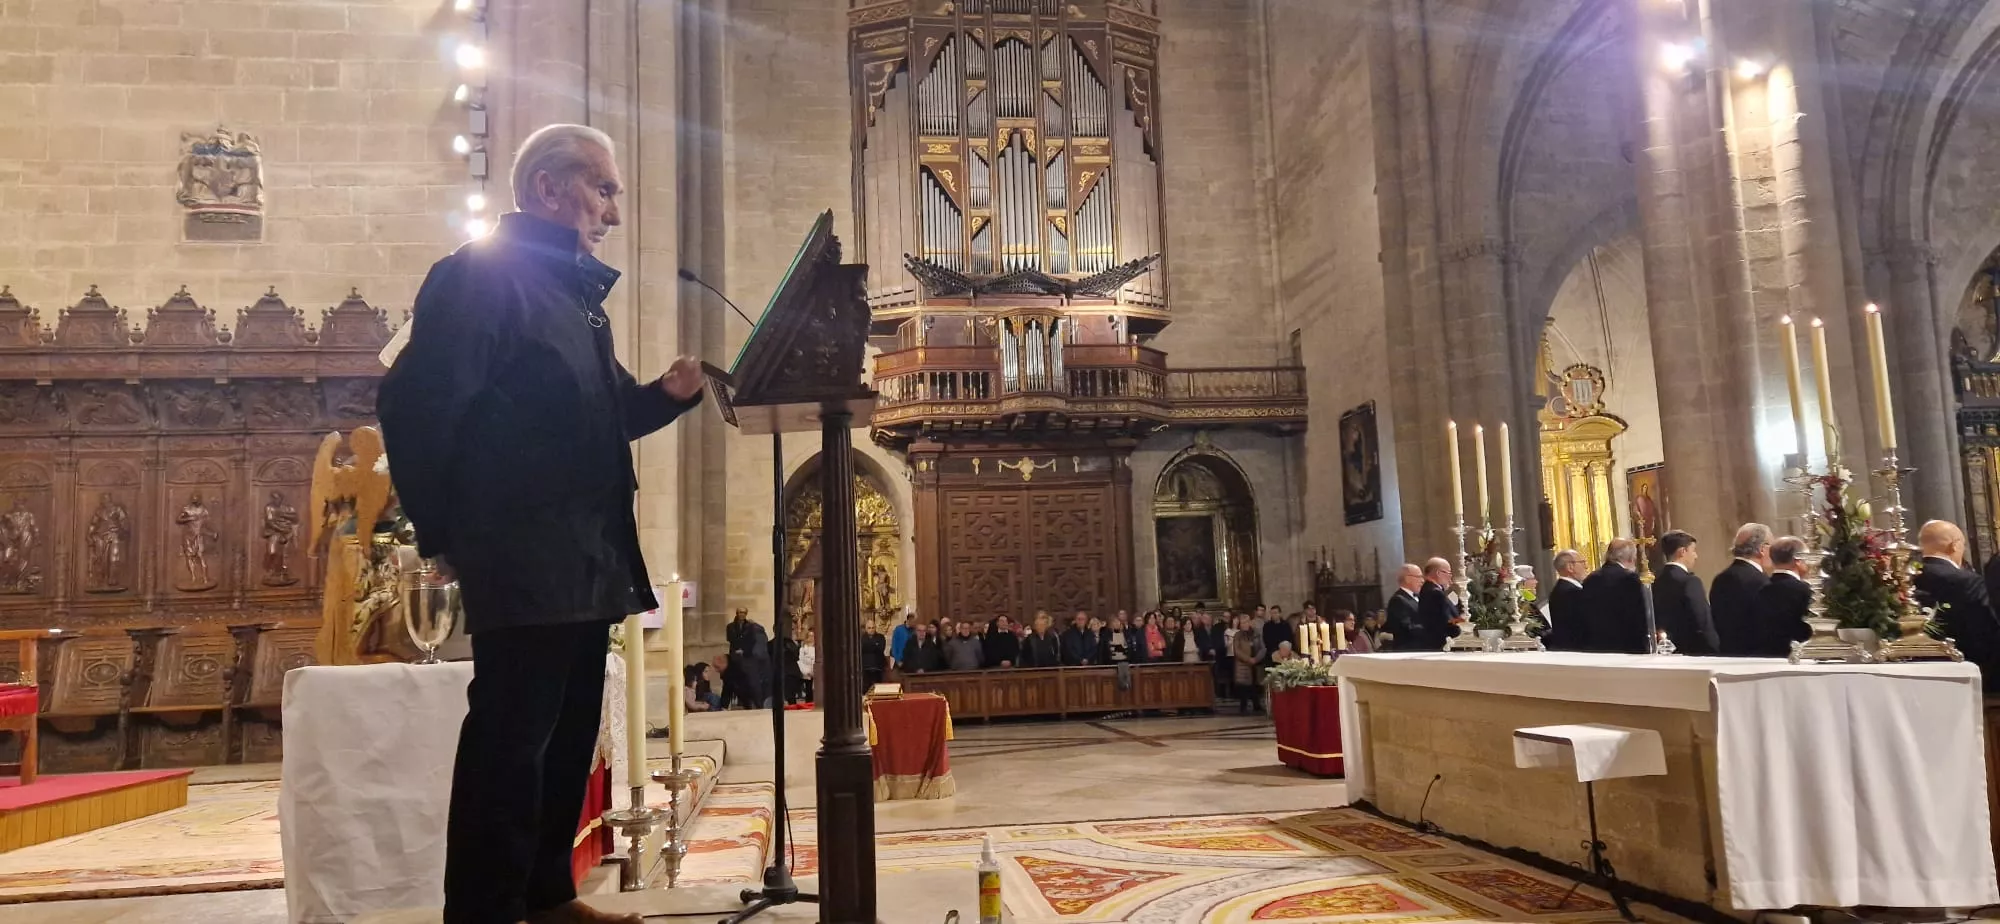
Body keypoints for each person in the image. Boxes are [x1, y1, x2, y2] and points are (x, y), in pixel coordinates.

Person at [377, 123, 705, 924]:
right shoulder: (480, 278)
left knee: (563, 739)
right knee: (510, 739)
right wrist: (445, 532)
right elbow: (414, 406)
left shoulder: (571, 299)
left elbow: (602, 416)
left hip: (585, 552)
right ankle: (486, 912)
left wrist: (663, 396)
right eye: (603, 189)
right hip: (522, 550)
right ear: (550, 189)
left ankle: (547, 897)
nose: (614, 212)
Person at [1915, 520, 2000, 690]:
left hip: (1918, 667)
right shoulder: (1967, 581)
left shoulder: (1905, 579)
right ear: (1954, 545)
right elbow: (1987, 623)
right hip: (1968, 666)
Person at [1711, 524, 1773, 656]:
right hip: (1760, 657)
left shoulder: (1720, 579)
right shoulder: (1761, 582)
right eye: (1771, 546)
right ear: (1762, 549)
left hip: (1727, 655)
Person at [1653, 530, 1719, 655]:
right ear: (1682, 552)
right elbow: (1703, 622)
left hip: (1663, 653)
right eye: (1693, 550)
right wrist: (1715, 648)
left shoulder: (1654, 580)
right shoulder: (1690, 582)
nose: (1696, 555)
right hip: (1692, 653)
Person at [1581, 538, 1649, 653]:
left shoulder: (1590, 578)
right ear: (1631, 558)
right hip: (1627, 645)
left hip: (1596, 644)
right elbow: (1638, 615)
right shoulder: (1629, 578)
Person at [1752, 536, 1814, 658]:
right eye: (1808, 558)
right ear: (1798, 560)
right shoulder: (1805, 590)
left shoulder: (1761, 590)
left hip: (1765, 658)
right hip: (1800, 658)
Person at [1543, 549, 1588, 651]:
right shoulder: (1571, 592)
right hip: (1576, 649)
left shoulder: (1561, 589)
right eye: (1582, 562)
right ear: (1570, 567)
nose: (1586, 566)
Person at [1419, 558, 1459, 648]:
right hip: (1441, 643)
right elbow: (1446, 620)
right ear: (1439, 573)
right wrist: (1462, 622)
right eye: (1449, 573)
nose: (1450, 577)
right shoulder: (1435, 592)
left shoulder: (1427, 589)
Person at [1230, 614, 1265, 714]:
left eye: (1246, 622)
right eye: (1242, 623)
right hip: (1243, 664)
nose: (1244, 624)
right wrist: (1248, 659)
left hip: (1256, 663)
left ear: (1250, 622)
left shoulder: (1257, 633)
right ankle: (1243, 706)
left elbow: (1263, 648)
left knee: (1255, 684)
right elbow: (1237, 650)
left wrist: (1257, 658)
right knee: (1244, 686)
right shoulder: (1238, 635)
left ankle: (1257, 705)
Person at [1383, 563, 1423, 650]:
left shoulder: (1419, 597)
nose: (1422, 580)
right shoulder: (1398, 600)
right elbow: (1406, 628)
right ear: (1408, 579)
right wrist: (1431, 628)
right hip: (1409, 650)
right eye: (1419, 577)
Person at [861, 620, 888, 691]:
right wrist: (875, 644)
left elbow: (881, 649)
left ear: (875, 628)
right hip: (865, 667)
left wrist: (868, 645)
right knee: (865, 688)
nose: (871, 629)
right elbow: (861, 649)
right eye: (869, 628)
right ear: (866, 629)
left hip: (878, 666)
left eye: (873, 627)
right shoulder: (861, 638)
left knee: (878, 688)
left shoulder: (881, 637)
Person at [797, 629, 817, 704]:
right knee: (808, 688)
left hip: (815, 669)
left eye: (813, 636)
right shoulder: (803, 649)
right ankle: (808, 702)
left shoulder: (817, 647)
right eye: (810, 636)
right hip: (806, 670)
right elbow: (801, 659)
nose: (811, 638)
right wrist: (806, 671)